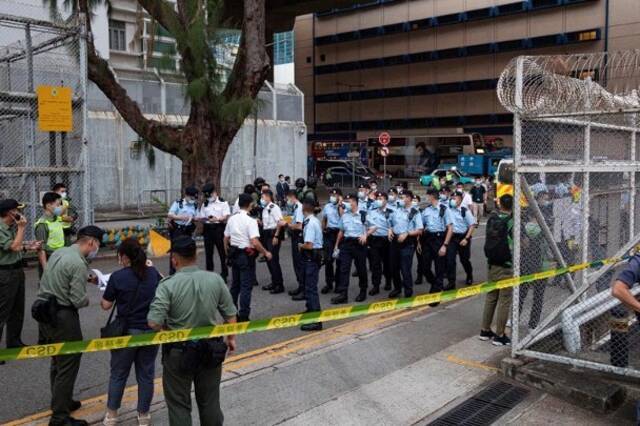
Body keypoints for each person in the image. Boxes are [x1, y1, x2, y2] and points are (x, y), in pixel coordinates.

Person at [148, 235, 238, 426]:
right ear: (196, 255)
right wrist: (231, 339)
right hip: (212, 350)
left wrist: (164, 329)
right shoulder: (215, 279)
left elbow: (153, 322)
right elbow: (230, 315)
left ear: (174, 259)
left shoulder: (167, 285)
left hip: (178, 353)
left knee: (179, 404)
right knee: (210, 401)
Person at [35, 225, 104, 426]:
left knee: (57, 360)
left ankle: (61, 401)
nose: (96, 249)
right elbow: (77, 299)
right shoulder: (78, 263)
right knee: (68, 363)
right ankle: (59, 417)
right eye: (97, 245)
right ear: (91, 242)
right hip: (63, 316)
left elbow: (58, 277)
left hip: (44, 310)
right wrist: (89, 300)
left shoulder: (61, 252)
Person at [101, 239, 163, 426]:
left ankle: (112, 415)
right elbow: (165, 284)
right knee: (146, 375)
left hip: (126, 332)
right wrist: (152, 267)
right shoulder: (152, 274)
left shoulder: (118, 277)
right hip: (150, 331)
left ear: (125, 257)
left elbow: (106, 305)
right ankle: (143, 415)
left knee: (119, 373)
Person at [0, 200, 38, 365]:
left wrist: (29, 246)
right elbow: (13, 247)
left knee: (17, 309)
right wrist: (22, 228)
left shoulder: (9, 228)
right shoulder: (0, 228)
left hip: (16, 270)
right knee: (3, 311)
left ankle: (14, 342)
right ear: (9, 213)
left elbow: (17, 246)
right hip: (5, 273)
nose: (20, 213)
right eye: (17, 210)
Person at [224, 193, 272, 321]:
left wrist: (227, 252)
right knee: (246, 286)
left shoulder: (232, 219)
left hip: (234, 254)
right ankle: (244, 315)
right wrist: (265, 252)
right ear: (250, 204)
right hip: (246, 256)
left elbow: (226, 238)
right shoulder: (251, 221)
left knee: (235, 285)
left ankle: (232, 313)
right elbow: (255, 242)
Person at [479, 194, 514, 346]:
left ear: (500, 204)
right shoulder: (511, 221)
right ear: (513, 206)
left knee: (491, 296)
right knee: (505, 300)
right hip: (506, 265)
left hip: (492, 263)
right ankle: (500, 335)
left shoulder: (492, 219)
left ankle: (485, 330)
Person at [331, 194, 368, 304]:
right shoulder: (345, 215)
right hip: (346, 244)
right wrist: (336, 245)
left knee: (361, 269)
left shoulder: (363, 214)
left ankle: (363, 291)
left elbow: (373, 227)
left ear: (355, 202)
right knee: (344, 269)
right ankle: (343, 294)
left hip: (359, 244)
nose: (346, 203)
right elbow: (341, 231)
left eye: (349, 201)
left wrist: (365, 235)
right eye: (346, 201)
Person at [388, 190, 424, 298]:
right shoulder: (396, 210)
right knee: (393, 267)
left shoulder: (415, 212)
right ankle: (397, 288)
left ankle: (408, 291)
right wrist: (390, 229)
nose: (400, 199)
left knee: (405, 268)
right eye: (400, 197)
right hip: (395, 241)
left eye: (402, 197)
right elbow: (390, 222)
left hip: (407, 242)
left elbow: (420, 230)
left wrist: (407, 234)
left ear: (408, 198)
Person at [298, 200, 324, 331]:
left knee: (311, 288)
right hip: (311, 258)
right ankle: (310, 310)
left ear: (304, 210)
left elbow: (309, 244)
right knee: (308, 286)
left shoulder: (311, 223)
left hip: (311, 257)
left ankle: (317, 321)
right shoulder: (312, 221)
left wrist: (300, 246)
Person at [444, 190, 477, 289]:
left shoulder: (464, 211)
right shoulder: (448, 210)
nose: (452, 200)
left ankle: (469, 275)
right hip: (452, 238)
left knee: (464, 260)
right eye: (452, 198)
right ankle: (451, 282)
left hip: (463, 237)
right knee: (450, 260)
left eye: (455, 199)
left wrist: (466, 238)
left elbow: (472, 225)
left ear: (460, 200)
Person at [197, 183, 230, 281]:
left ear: (215, 193)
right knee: (208, 253)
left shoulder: (223, 203)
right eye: (207, 196)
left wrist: (218, 219)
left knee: (222, 252)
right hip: (208, 229)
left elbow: (226, 216)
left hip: (219, 228)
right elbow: (201, 216)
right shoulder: (205, 204)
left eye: (210, 195)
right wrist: (205, 219)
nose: (209, 198)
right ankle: (209, 273)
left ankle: (224, 273)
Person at [420, 188, 448, 303]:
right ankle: (435, 284)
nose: (426, 198)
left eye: (427, 196)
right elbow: (421, 224)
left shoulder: (444, 209)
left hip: (439, 239)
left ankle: (436, 293)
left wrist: (445, 245)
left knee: (439, 267)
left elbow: (450, 228)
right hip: (428, 239)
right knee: (425, 267)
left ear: (432, 196)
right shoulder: (426, 210)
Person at [365, 192, 393, 295]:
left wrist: (391, 229)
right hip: (375, 240)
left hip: (387, 240)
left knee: (387, 263)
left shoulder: (392, 212)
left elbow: (396, 225)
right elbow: (367, 225)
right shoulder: (372, 212)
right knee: (375, 264)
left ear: (386, 200)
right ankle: (375, 285)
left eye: (381, 198)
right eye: (377, 198)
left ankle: (388, 281)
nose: (378, 200)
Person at [167, 186, 199, 274]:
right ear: (187, 195)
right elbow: (170, 214)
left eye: (194, 198)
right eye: (192, 197)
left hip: (188, 230)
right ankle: (173, 272)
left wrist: (194, 218)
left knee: (187, 249)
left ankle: (186, 270)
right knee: (175, 250)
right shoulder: (178, 203)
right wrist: (181, 217)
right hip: (178, 229)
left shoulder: (195, 205)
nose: (193, 199)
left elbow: (197, 216)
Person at [260, 190, 286, 294]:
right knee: (268, 259)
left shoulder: (274, 208)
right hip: (266, 235)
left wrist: (276, 236)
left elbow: (280, 222)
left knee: (273, 260)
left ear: (268, 197)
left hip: (273, 235)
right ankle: (274, 282)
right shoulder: (265, 209)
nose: (261, 199)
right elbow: (267, 224)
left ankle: (279, 285)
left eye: (262, 197)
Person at [35, 192, 66, 278]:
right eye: (58, 205)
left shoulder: (56, 219)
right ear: (48, 206)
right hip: (49, 259)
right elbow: (41, 249)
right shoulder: (42, 224)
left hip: (59, 257)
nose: (60, 208)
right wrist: (46, 269)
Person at [321, 188, 343, 294]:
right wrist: (323, 230)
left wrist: (340, 206)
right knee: (328, 260)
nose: (333, 197)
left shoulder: (343, 207)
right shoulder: (327, 206)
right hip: (329, 234)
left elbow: (343, 218)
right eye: (332, 195)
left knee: (339, 260)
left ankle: (339, 284)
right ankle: (329, 283)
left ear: (340, 196)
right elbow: (324, 219)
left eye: (335, 195)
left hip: (340, 234)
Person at [286, 190, 305, 297]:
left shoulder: (299, 208)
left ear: (292, 197)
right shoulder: (296, 208)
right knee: (296, 263)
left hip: (298, 237)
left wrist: (287, 225)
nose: (287, 201)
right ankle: (300, 286)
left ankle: (303, 289)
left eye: (288, 198)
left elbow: (299, 225)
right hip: (295, 237)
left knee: (299, 264)